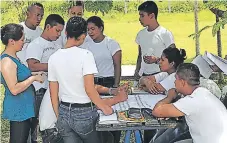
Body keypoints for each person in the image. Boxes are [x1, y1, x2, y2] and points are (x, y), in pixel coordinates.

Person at [48, 16, 128, 143]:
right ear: (83, 36)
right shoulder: (85, 55)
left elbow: (53, 93)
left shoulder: (53, 58)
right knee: (108, 139)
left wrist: (59, 116)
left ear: (66, 32)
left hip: (63, 111)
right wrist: (104, 107)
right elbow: (89, 89)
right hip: (84, 113)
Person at [152, 63, 227, 143]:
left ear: (182, 82)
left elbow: (156, 111)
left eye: (176, 79)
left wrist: (169, 97)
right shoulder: (203, 93)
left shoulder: (193, 100)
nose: (174, 82)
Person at [0, 23, 44, 143]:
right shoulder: (7, 61)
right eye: (22, 40)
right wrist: (33, 79)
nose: (24, 42)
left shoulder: (15, 58)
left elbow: (20, 77)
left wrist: (34, 75)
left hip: (25, 108)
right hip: (18, 109)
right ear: (11, 41)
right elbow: (14, 89)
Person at [25, 14, 64, 142]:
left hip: (52, 90)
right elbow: (32, 65)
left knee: (49, 123)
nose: (59, 34)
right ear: (48, 27)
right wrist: (54, 65)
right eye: (57, 30)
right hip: (39, 90)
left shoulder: (57, 46)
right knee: (34, 124)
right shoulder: (36, 44)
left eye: (61, 31)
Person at [139, 46, 186, 143]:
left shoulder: (174, 76)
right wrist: (146, 82)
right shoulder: (165, 74)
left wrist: (147, 84)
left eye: (162, 60)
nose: (159, 62)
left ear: (172, 63)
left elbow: (154, 89)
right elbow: (142, 81)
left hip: (173, 118)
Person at [15, 3, 44, 143]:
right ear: (28, 13)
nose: (39, 18)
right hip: (20, 80)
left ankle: (33, 139)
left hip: (37, 80)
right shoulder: (18, 30)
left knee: (35, 117)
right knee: (23, 118)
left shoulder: (40, 32)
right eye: (36, 15)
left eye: (41, 16)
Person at [134, 1, 174, 81]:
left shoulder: (164, 34)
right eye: (139, 15)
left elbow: (173, 58)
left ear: (152, 16)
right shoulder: (140, 34)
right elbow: (140, 55)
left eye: (142, 16)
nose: (139, 19)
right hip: (144, 75)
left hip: (161, 76)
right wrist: (137, 71)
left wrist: (156, 60)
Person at [86, 16, 122, 88]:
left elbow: (117, 65)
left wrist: (116, 85)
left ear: (101, 28)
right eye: (88, 30)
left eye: (93, 29)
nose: (90, 32)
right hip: (92, 82)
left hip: (108, 81)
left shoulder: (111, 43)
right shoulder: (85, 44)